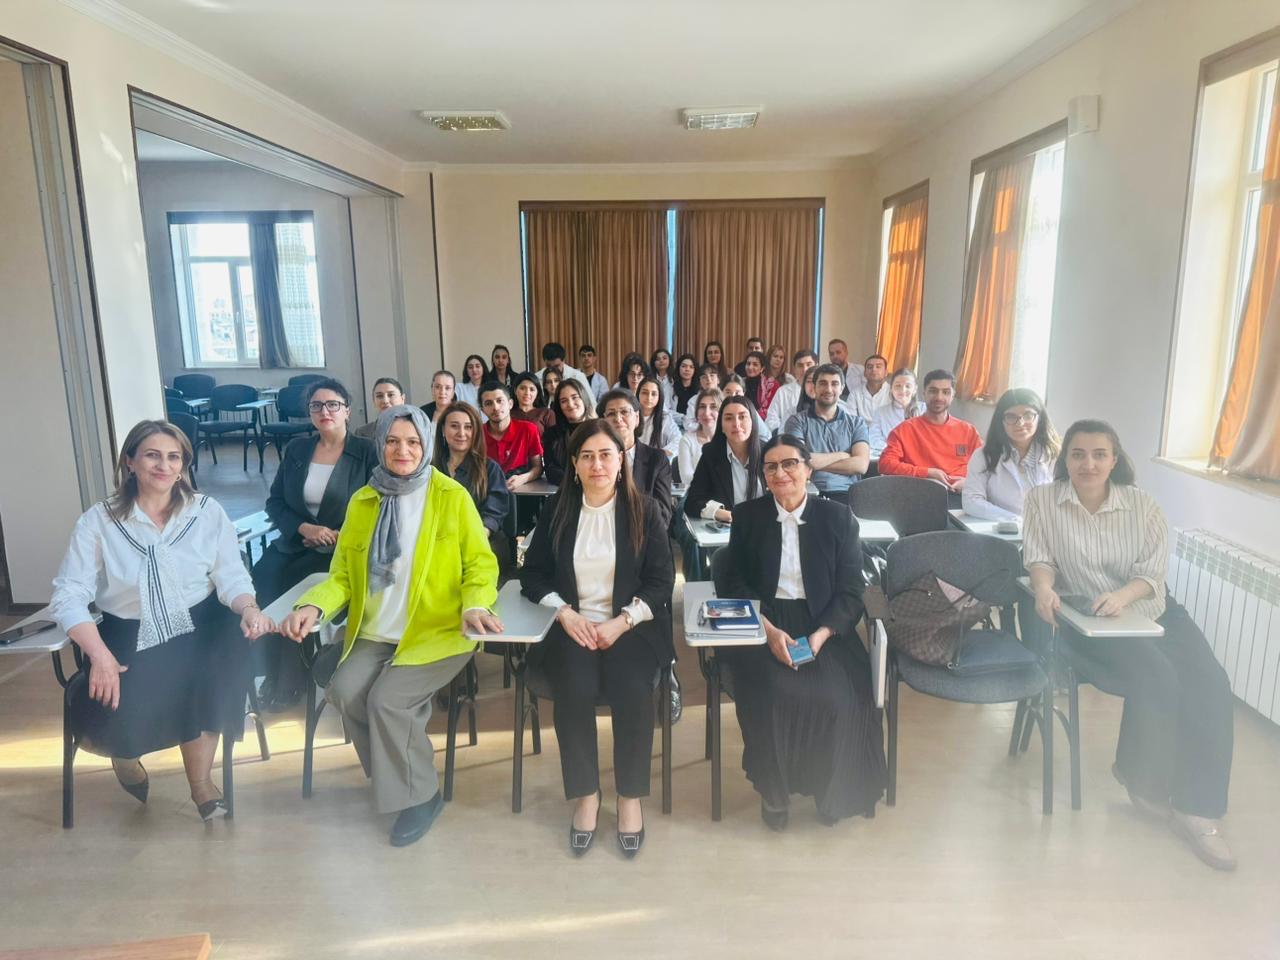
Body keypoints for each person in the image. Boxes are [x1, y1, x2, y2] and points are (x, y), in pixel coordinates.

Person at [279, 406, 501, 847]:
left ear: (427, 446)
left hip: (436, 631)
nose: (403, 451)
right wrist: (314, 606)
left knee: (386, 701)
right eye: (394, 442)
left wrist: (475, 604)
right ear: (380, 444)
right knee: (344, 692)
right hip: (376, 632)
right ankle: (398, 777)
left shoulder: (451, 496)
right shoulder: (364, 501)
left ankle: (421, 795)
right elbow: (343, 576)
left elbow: (480, 564)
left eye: (413, 442)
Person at [1023, 420, 1235, 870]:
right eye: (1078, 454)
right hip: (1088, 616)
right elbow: (1039, 558)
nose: (1089, 463)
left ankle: (1200, 809)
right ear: (1066, 459)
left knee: (1212, 683)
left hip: (1150, 607)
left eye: (1099, 454)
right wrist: (1043, 589)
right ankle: (1144, 779)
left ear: (1114, 460)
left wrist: (1123, 596)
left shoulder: (1142, 505)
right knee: (1158, 675)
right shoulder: (1042, 500)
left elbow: (1151, 574)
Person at [49, 420, 275, 821]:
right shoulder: (98, 521)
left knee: (215, 673)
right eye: (152, 455)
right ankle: (125, 756)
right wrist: (99, 655)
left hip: (203, 624)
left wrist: (249, 609)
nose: (164, 466)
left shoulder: (206, 512)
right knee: (118, 717)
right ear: (130, 461)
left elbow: (231, 575)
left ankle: (201, 784)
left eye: (174, 457)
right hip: (127, 632)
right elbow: (69, 595)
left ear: (184, 465)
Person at [520, 420, 675, 858]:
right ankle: (586, 794)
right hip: (574, 626)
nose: (597, 465)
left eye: (606, 454)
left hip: (631, 626)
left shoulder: (644, 510)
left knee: (633, 689)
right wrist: (565, 613)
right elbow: (532, 575)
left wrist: (622, 621)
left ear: (621, 460)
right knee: (574, 687)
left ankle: (629, 797)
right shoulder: (557, 510)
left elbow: (661, 581)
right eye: (586, 456)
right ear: (574, 464)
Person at [714, 434, 886, 828]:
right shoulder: (748, 516)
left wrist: (821, 636)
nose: (781, 473)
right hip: (764, 620)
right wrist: (768, 631)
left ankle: (831, 790)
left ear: (808, 469)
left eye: (790, 463)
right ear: (764, 475)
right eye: (771, 466)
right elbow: (734, 583)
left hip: (826, 622)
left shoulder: (838, 518)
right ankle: (774, 791)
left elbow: (851, 591)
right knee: (771, 695)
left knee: (838, 697)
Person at [254, 378, 378, 712]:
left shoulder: (367, 452)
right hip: (296, 542)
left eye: (333, 404)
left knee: (299, 595)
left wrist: (337, 534)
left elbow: (377, 506)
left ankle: (291, 678)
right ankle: (270, 673)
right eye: (317, 406)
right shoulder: (298, 449)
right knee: (261, 584)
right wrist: (304, 527)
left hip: (339, 550)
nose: (325, 411)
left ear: (347, 410)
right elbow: (275, 502)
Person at [878, 369, 981, 501]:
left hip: (961, 496)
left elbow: (986, 467)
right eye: (933, 391)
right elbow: (885, 464)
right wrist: (927, 473)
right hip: (919, 495)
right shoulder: (904, 430)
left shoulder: (968, 431)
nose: (939, 397)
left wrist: (969, 483)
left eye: (946, 392)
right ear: (924, 394)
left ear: (953, 395)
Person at [962, 388, 1058, 519]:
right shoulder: (984, 456)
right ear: (1000, 421)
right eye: (1011, 417)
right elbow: (971, 501)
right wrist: (1013, 520)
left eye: (1028, 415)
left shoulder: (1054, 455)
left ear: (1039, 418)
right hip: (1002, 528)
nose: (1020, 423)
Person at [433, 402, 511, 557]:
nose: (461, 433)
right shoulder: (432, 470)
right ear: (443, 430)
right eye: (454, 426)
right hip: (440, 546)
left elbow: (493, 514)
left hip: (482, 544)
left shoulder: (490, 468)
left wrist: (474, 538)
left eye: (468, 427)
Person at [784, 364, 870, 497]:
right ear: (814, 387)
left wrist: (813, 463)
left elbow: (861, 465)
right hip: (808, 493)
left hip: (846, 494)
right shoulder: (797, 421)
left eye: (834, 384)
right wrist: (842, 455)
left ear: (842, 388)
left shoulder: (857, 424)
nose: (829, 389)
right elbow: (798, 460)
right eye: (823, 383)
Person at [684, 396, 764, 524]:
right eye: (728, 418)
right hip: (729, 530)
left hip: (765, 527)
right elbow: (693, 502)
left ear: (753, 421)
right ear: (721, 426)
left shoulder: (768, 453)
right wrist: (724, 514)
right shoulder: (711, 454)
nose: (736, 424)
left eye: (742, 417)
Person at [479, 382, 543, 491]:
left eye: (500, 401)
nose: (495, 407)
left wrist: (523, 478)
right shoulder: (477, 434)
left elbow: (538, 467)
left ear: (510, 404)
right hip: (488, 491)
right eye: (488, 403)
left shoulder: (528, 429)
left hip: (523, 490)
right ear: (483, 410)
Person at [542, 379, 596, 484]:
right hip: (564, 490)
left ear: (584, 398)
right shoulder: (551, 435)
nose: (570, 404)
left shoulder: (599, 431)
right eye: (564, 401)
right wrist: (577, 482)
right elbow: (551, 471)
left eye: (575, 398)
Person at [869, 369, 923, 456]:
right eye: (898, 386)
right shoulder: (880, 412)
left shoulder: (926, 410)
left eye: (908, 386)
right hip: (892, 455)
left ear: (915, 389)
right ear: (891, 389)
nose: (903, 390)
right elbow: (873, 438)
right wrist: (893, 448)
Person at [765, 350, 818, 432]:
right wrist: (786, 430)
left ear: (816, 366)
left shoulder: (823, 391)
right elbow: (771, 419)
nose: (805, 369)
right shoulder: (783, 392)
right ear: (794, 369)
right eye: (800, 365)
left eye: (809, 364)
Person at [677, 387, 722, 484]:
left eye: (713, 407)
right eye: (702, 407)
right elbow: (686, 478)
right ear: (696, 412)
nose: (707, 412)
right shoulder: (687, 440)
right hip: (696, 492)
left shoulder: (729, 440)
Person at [635, 377, 680, 458]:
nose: (649, 398)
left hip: (656, 461)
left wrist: (659, 454)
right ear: (638, 394)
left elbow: (678, 440)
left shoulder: (665, 418)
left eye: (654, 394)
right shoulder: (631, 416)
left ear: (659, 397)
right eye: (645, 393)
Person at [722, 374, 772, 440]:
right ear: (721, 392)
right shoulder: (714, 410)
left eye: (737, 393)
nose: (733, 396)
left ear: (743, 393)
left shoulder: (750, 410)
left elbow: (766, 437)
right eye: (728, 392)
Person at [420, 369, 457, 457]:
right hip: (428, 461)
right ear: (432, 389)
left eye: (447, 388)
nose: (442, 392)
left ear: (453, 391)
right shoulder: (422, 412)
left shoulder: (461, 413)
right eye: (437, 387)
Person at [354, 376, 404, 440]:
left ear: (402, 399)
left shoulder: (414, 428)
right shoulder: (361, 433)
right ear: (374, 401)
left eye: (391, 395)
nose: (385, 401)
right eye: (379, 396)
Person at [849, 354, 891, 421]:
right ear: (864, 373)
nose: (874, 369)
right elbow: (850, 419)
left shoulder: (893, 393)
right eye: (870, 367)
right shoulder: (855, 393)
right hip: (860, 428)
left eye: (878, 367)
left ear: (886, 372)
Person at [743, 350, 782, 418]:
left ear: (762, 368)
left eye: (755, 364)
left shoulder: (771, 385)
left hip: (763, 421)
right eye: (748, 364)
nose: (750, 367)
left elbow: (770, 410)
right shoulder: (740, 382)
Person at [672, 353, 699, 419]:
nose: (687, 369)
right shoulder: (671, 387)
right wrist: (683, 418)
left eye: (691, 367)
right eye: (684, 366)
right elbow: (667, 410)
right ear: (678, 368)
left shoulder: (700, 389)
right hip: (673, 422)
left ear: (695, 370)